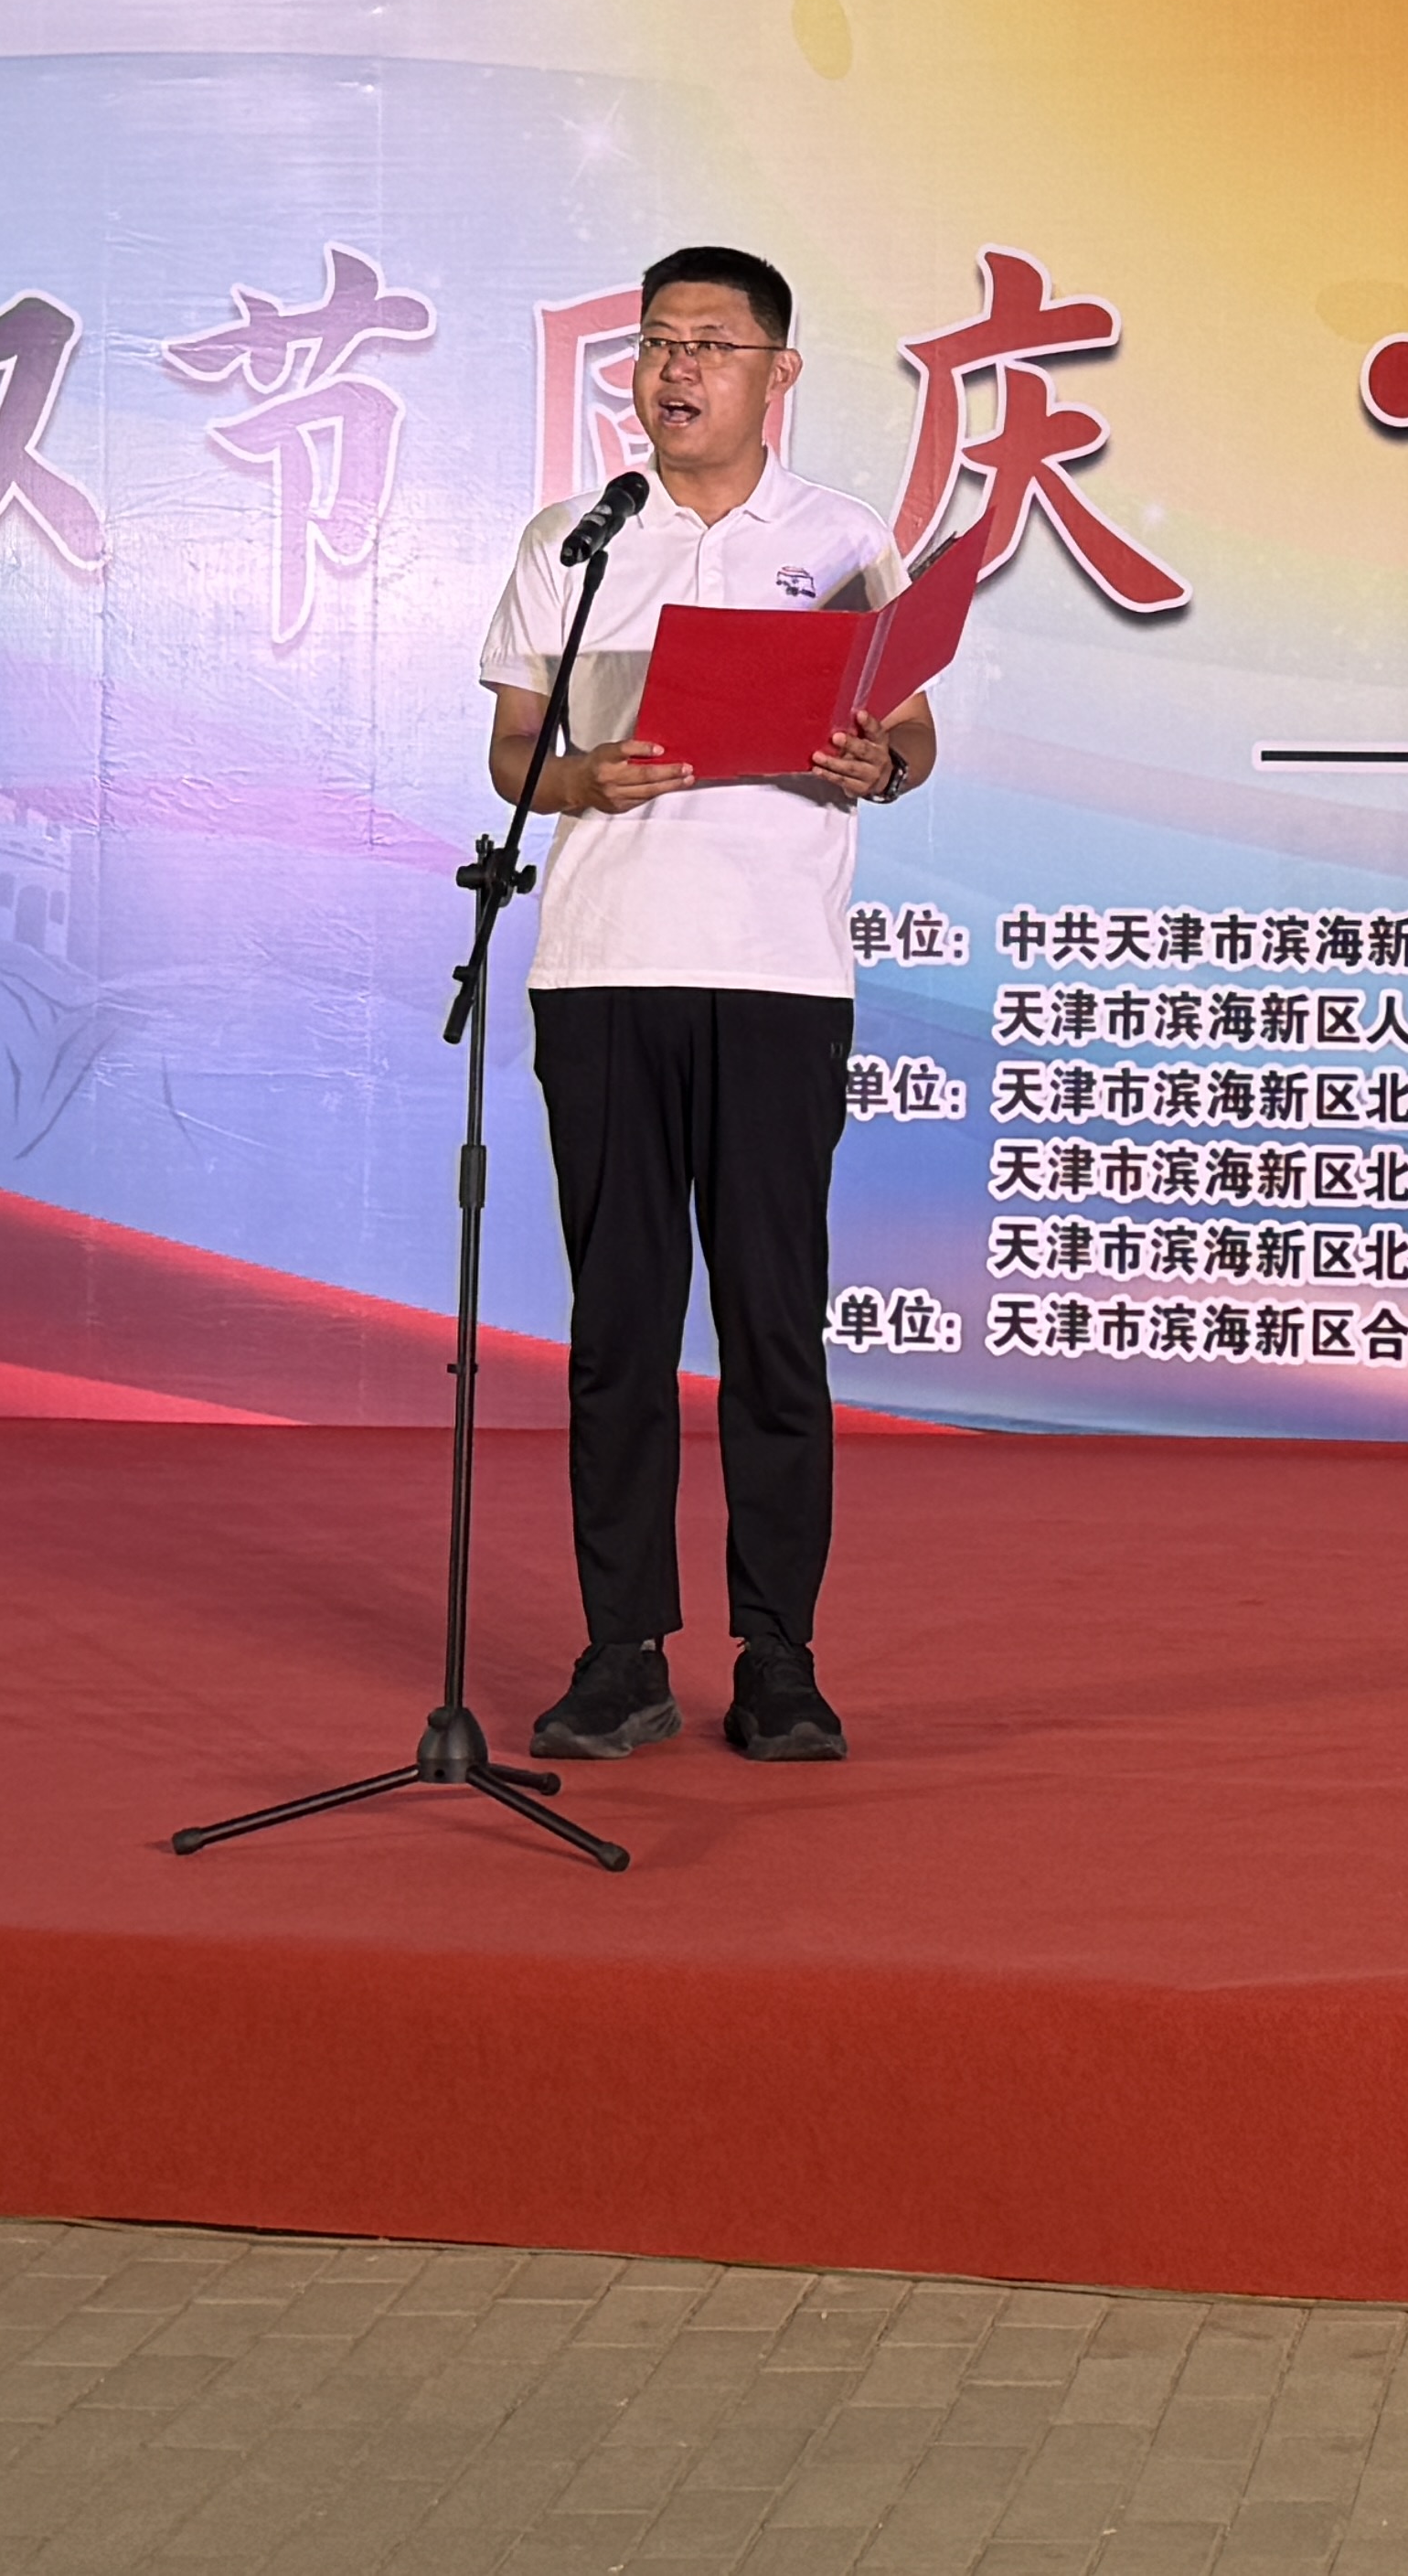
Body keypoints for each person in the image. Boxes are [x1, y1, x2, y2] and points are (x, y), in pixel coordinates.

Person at [480, 246, 936, 1768]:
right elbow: (514, 756)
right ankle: (621, 1652)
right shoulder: (579, 538)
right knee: (618, 1329)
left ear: (776, 373)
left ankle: (778, 1657)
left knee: (771, 1325)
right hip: (605, 970)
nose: (676, 369)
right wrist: (580, 778)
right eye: (657, 342)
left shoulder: (844, 539)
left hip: (779, 976)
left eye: (712, 344)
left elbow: (912, 730)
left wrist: (880, 761)